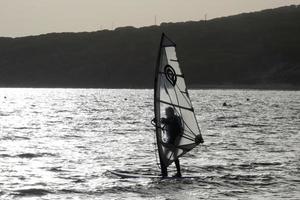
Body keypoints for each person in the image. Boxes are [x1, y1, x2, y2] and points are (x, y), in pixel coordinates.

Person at [160, 107, 182, 177]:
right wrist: (159, 120)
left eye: (167, 112)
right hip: (171, 139)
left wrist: (161, 120)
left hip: (174, 139)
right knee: (168, 156)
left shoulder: (175, 119)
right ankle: (166, 171)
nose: (166, 114)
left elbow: (168, 121)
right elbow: (165, 121)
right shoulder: (171, 118)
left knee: (171, 156)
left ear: (170, 112)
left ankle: (176, 173)